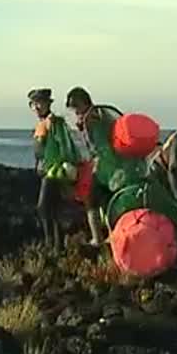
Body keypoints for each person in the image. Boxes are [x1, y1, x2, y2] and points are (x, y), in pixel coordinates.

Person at [65, 87, 115, 248]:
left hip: (103, 167)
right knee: (108, 202)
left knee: (91, 201)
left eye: (76, 108)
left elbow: (99, 146)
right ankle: (113, 235)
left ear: (82, 103)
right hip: (113, 166)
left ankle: (97, 238)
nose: (76, 113)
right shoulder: (101, 114)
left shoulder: (92, 119)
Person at [29, 88, 75, 250]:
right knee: (54, 210)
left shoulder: (54, 122)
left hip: (54, 172)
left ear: (48, 104)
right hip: (46, 171)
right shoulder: (42, 124)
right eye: (34, 104)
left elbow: (63, 146)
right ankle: (58, 247)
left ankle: (51, 245)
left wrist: (62, 166)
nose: (37, 107)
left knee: (43, 208)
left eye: (39, 103)